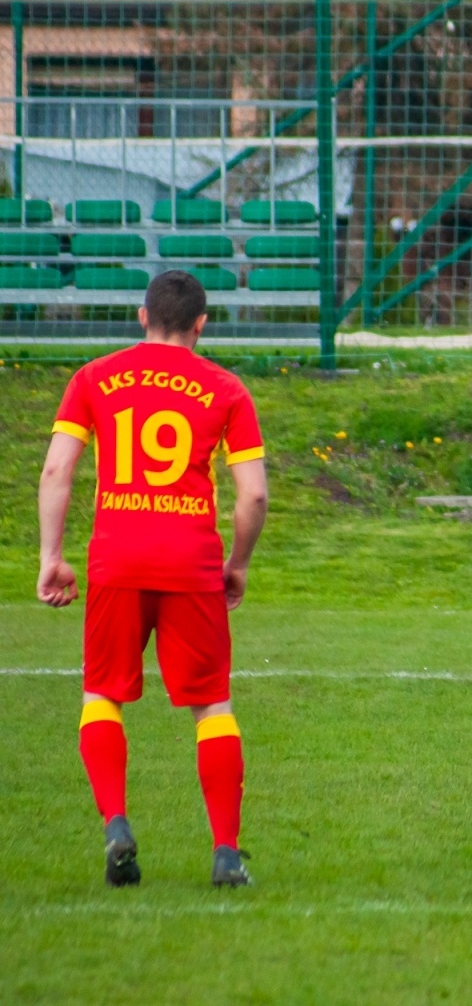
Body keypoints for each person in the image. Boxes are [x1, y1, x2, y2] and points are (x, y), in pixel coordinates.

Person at [37, 270, 268, 887]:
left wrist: (51, 556)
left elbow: (58, 469)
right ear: (201, 325)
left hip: (118, 559)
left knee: (101, 695)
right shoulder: (226, 389)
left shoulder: (93, 378)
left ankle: (116, 823)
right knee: (211, 704)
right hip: (191, 564)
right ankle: (224, 852)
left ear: (142, 317)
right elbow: (254, 497)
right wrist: (237, 564)